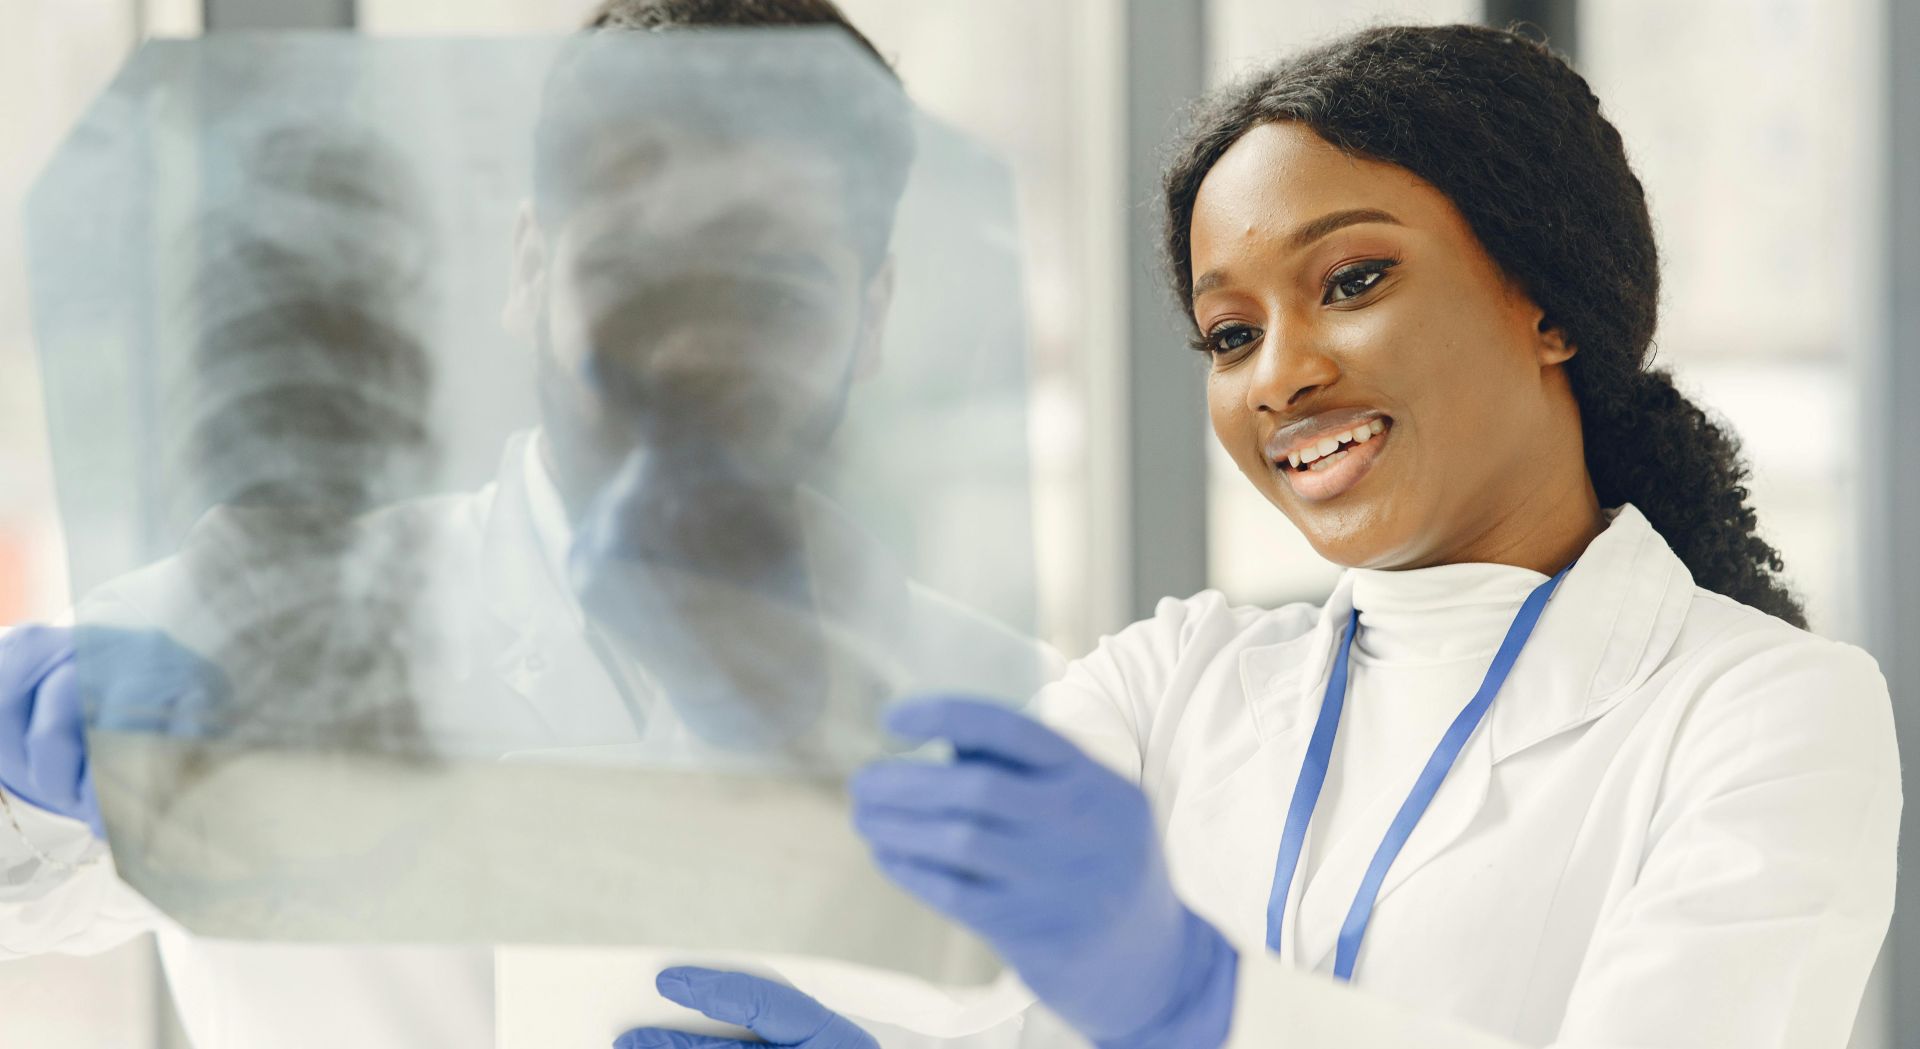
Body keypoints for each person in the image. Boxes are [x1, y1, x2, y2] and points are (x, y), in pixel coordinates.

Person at [617, 22, 1901, 1049]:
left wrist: (1200, 1001)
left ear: (1547, 298)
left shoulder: (1767, 713)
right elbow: (966, 978)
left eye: (1351, 281)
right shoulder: (1177, 678)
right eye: (1230, 334)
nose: (1279, 378)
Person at [0, 2, 1062, 1047]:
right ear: (530, 267)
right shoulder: (250, 630)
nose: (691, 349)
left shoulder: (1028, 723)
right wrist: (22, 768)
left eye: (768, 285)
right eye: (633, 273)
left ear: (870, 314)